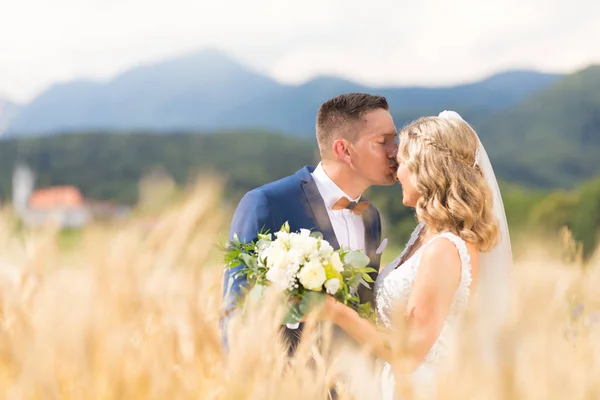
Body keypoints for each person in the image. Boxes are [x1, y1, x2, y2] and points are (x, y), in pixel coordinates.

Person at [307, 110, 513, 399]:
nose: (396, 173)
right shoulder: (424, 235)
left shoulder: (444, 249)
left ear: (426, 170)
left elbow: (409, 352)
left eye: (402, 163)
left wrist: (336, 311)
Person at [220, 93, 399, 355]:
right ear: (344, 150)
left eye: (393, 139)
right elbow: (234, 313)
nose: (395, 151)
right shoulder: (266, 202)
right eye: (383, 141)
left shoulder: (371, 216)